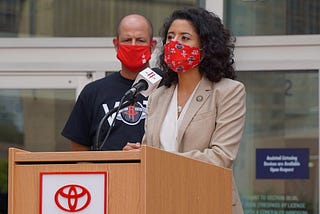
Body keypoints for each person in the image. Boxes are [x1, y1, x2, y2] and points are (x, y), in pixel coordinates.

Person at [123, 8, 246, 214]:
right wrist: (140, 155)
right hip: (160, 203)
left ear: (206, 46)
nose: (174, 44)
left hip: (208, 202)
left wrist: (158, 159)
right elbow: (151, 152)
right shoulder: (158, 95)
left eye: (185, 37)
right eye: (170, 37)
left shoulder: (228, 92)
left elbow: (221, 157)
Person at [61, 14, 158, 151]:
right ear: (116, 45)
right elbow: (79, 150)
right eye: (127, 40)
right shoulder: (93, 92)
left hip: (156, 170)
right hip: (108, 172)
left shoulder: (166, 88)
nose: (133, 45)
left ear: (152, 45)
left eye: (140, 40)